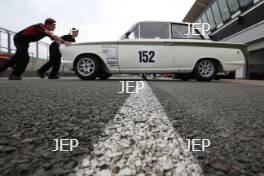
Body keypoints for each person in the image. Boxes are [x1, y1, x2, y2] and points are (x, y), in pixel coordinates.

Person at [0, 18, 71, 80]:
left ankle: (2, 68)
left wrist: (63, 46)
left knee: (16, 58)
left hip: (24, 42)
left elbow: (55, 40)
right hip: (19, 38)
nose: (55, 27)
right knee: (25, 57)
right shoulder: (41, 26)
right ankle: (14, 75)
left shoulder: (47, 31)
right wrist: (64, 41)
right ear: (48, 24)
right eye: (54, 25)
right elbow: (51, 34)